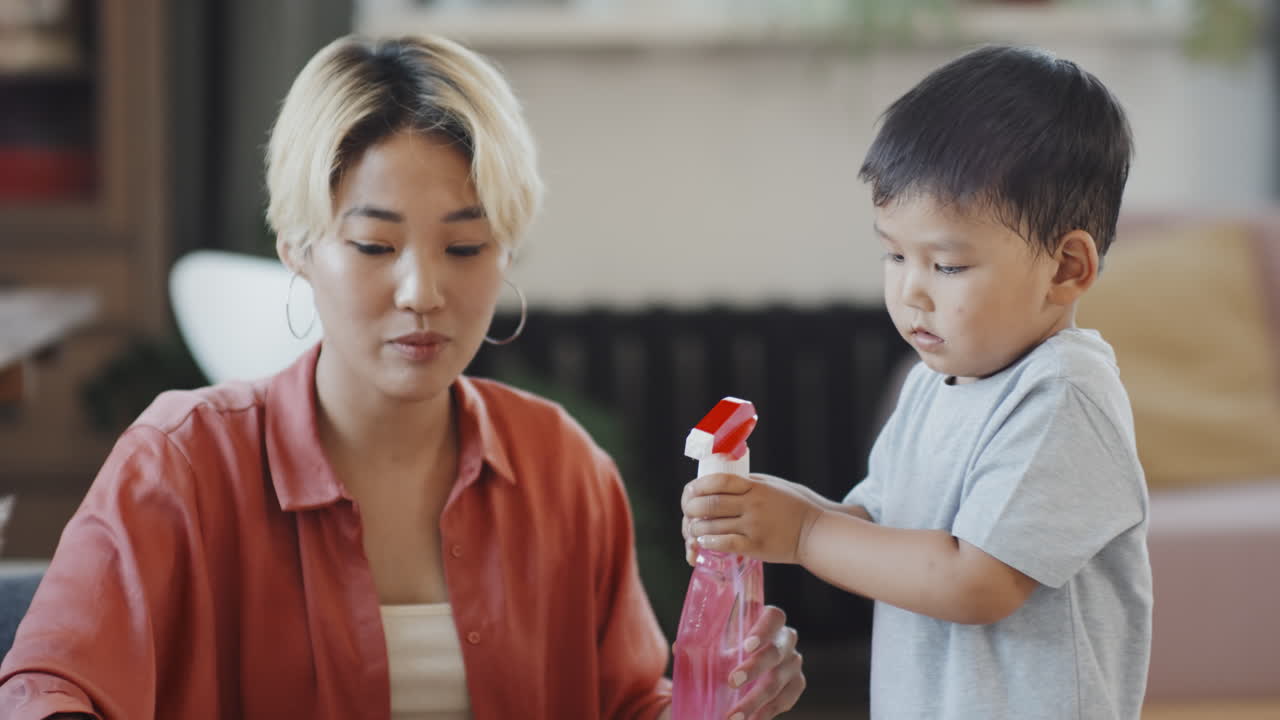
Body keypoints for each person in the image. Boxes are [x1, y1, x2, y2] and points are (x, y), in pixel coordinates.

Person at [0, 34, 805, 720]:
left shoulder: (563, 469)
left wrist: (726, 699)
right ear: (298, 248)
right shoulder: (181, 464)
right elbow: (44, 689)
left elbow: (629, 704)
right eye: (376, 247)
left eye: (464, 247)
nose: (423, 293)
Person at [681, 45, 1151, 719]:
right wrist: (772, 508)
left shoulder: (1060, 395)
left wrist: (808, 533)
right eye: (894, 254)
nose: (911, 293)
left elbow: (975, 583)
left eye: (948, 266)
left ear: (1066, 268)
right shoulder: (937, 382)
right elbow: (883, 528)